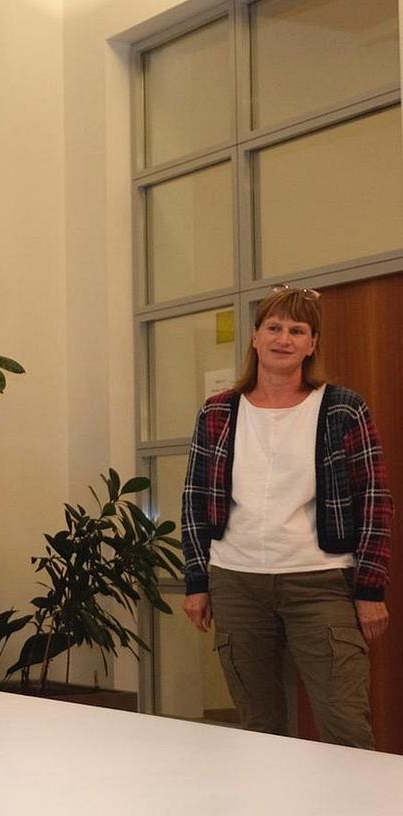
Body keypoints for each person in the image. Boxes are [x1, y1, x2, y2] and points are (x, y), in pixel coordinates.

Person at [180, 286, 392, 748]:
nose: (284, 338)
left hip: (320, 584)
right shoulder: (218, 412)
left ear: (312, 343)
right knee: (259, 731)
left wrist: (370, 589)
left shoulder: (342, 408)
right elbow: (195, 500)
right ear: (255, 337)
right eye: (274, 327)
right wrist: (197, 582)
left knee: (346, 727)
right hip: (237, 584)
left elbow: (374, 500)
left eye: (298, 330)